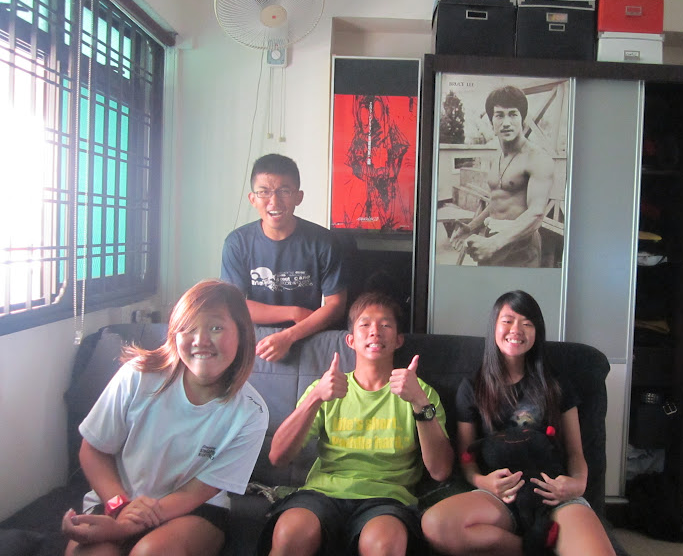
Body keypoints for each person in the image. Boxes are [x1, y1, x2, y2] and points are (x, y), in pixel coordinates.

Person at [61, 279, 269, 556]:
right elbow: (93, 450)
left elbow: (197, 492)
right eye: (188, 328)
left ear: (242, 335)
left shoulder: (251, 412)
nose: (200, 340)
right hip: (118, 499)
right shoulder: (138, 375)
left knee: (151, 552)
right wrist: (119, 507)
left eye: (216, 328)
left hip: (192, 510)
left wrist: (127, 527)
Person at [421, 290, 615, 556]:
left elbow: (575, 453)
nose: (516, 330)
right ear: (494, 326)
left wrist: (578, 483)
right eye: (508, 321)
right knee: (436, 525)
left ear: (537, 332)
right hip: (500, 497)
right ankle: (531, 547)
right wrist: (482, 481)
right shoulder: (473, 388)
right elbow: (467, 457)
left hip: (553, 494)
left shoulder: (557, 385)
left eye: (527, 323)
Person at [262, 292, 454, 556]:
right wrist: (316, 397)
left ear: (398, 340)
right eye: (365, 324)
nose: (375, 331)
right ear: (350, 340)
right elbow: (277, 457)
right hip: (322, 494)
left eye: (385, 325)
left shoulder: (420, 392)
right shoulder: (326, 387)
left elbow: (441, 471)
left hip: (387, 499)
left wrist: (419, 403)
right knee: (290, 534)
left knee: (384, 545)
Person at [221, 153, 347, 361]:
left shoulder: (324, 242)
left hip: (308, 337)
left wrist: (289, 336)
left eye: (284, 191)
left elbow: (336, 305)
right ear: (252, 199)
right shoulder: (237, 243)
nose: (274, 201)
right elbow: (233, 305)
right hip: (257, 342)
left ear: (299, 196)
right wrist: (293, 312)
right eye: (264, 192)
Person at [449, 86, 556, 267]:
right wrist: (472, 227)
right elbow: (497, 201)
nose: (506, 122)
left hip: (521, 246)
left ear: (522, 119)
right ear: (492, 123)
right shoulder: (496, 157)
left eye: (513, 114)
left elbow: (536, 214)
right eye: (499, 115)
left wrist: (494, 243)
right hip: (492, 238)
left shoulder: (538, 158)